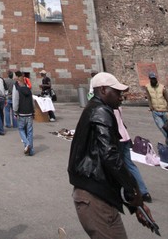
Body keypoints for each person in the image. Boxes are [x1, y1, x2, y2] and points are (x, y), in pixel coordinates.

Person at [68, 71, 156, 239]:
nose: (121, 97)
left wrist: (133, 205)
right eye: (116, 92)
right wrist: (134, 192)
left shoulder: (94, 109)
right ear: (103, 90)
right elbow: (110, 156)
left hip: (93, 194)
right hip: (95, 199)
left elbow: (105, 158)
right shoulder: (101, 111)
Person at [115, 107, 152, 202]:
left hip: (116, 138)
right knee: (130, 165)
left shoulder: (106, 105)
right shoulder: (117, 105)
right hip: (125, 137)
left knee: (115, 164)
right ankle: (144, 192)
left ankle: (121, 191)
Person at [12, 71, 35, 155]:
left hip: (21, 113)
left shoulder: (18, 89)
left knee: (21, 129)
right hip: (29, 113)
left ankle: (27, 144)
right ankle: (31, 151)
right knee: (30, 131)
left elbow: (16, 101)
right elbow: (32, 101)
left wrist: (15, 111)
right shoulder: (29, 90)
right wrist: (33, 111)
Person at [145, 71, 168, 140]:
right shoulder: (147, 87)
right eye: (152, 79)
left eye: (154, 78)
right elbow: (149, 98)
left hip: (165, 111)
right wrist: (151, 107)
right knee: (162, 128)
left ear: (156, 78)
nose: (153, 80)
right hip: (155, 112)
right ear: (149, 79)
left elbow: (167, 99)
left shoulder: (162, 87)